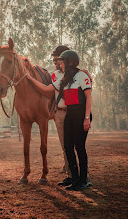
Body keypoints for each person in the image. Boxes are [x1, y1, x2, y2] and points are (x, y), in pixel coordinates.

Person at [27, 50, 92, 191]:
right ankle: (74, 179)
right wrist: (31, 80)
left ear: (68, 63)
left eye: (62, 61)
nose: (59, 64)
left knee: (79, 147)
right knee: (68, 146)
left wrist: (87, 118)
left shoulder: (81, 76)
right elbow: (46, 88)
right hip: (70, 115)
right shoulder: (63, 79)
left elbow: (88, 97)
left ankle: (84, 180)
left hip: (81, 114)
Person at [50, 46, 72, 186]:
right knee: (65, 145)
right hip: (59, 112)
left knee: (75, 145)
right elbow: (48, 90)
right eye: (53, 60)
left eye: (56, 60)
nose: (54, 63)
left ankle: (81, 174)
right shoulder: (54, 75)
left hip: (72, 112)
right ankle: (70, 175)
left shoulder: (77, 74)